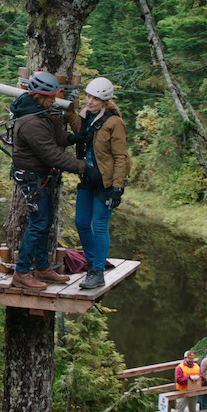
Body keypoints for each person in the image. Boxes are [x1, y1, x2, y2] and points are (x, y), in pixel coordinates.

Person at [8, 71, 87, 290]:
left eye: (54, 97)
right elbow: (53, 155)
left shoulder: (39, 111)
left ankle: (42, 268)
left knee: (45, 223)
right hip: (32, 179)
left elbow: (56, 137)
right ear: (38, 95)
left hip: (39, 177)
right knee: (38, 224)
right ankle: (21, 273)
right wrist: (84, 167)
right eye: (50, 97)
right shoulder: (31, 121)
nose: (54, 101)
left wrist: (74, 138)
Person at [72, 76, 131, 289]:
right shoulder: (87, 116)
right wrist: (69, 107)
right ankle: (91, 263)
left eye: (95, 99)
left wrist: (117, 188)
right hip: (88, 179)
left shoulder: (114, 122)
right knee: (81, 222)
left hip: (106, 182)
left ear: (104, 101)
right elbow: (77, 128)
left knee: (99, 225)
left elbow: (121, 157)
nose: (89, 101)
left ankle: (97, 272)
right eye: (87, 96)